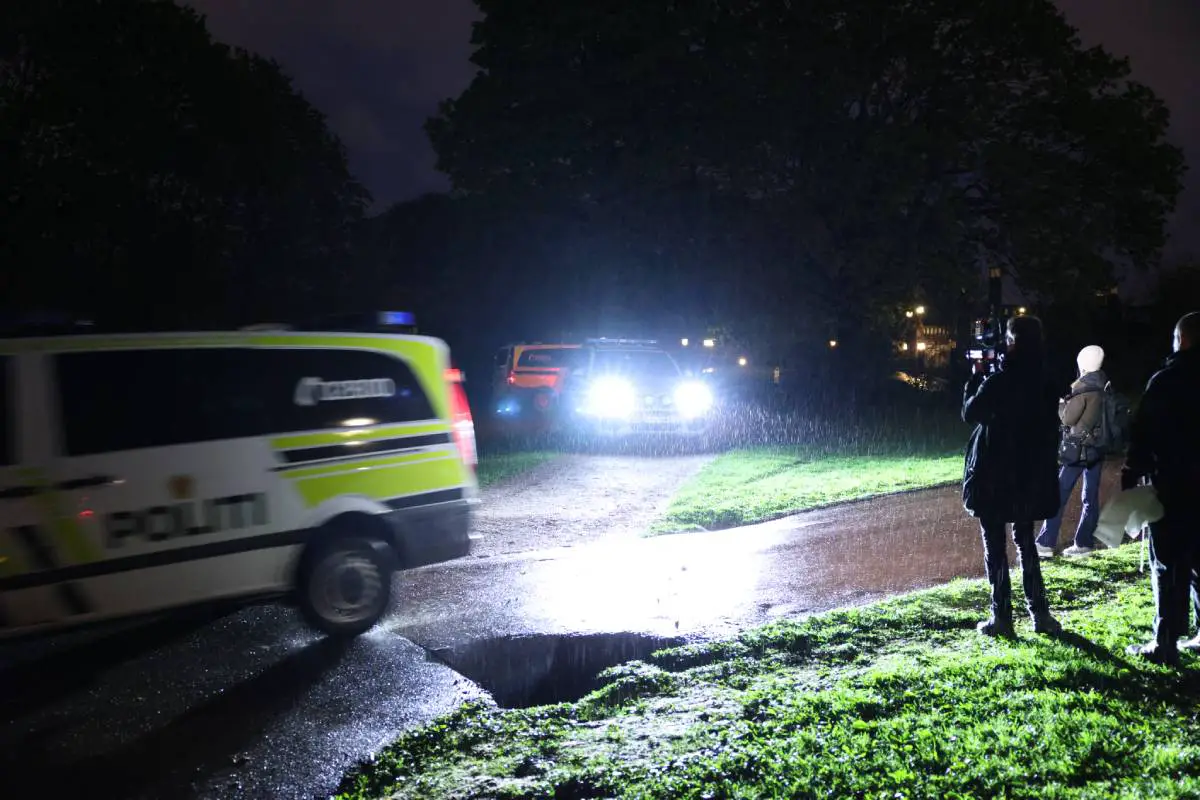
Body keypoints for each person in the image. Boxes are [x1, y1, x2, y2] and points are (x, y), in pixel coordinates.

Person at [962, 314, 1063, 637]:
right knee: (1026, 542)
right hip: (1030, 474)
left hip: (996, 474)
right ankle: (1040, 614)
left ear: (1014, 342)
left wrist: (976, 379)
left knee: (995, 545)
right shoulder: (1046, 380)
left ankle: (1002, 616)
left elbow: (971, 412)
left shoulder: (1001, 381)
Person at [1121, 311, 1200, 665]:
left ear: (1182, 339)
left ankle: (1165, 640)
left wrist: (1132, 470)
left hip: (1172, 484)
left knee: (1168, 560)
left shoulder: (1167, 381)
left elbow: (1144, 431)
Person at [1036, 345, 1109, 559]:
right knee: (1090, 497)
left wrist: (1060, 405)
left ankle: (1046, 543)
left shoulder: (1082, 388)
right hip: (1097, 447)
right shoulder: (1105, 385)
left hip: (1077, 449)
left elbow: (1068, 418)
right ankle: (1084, 542)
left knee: (1059, 494)